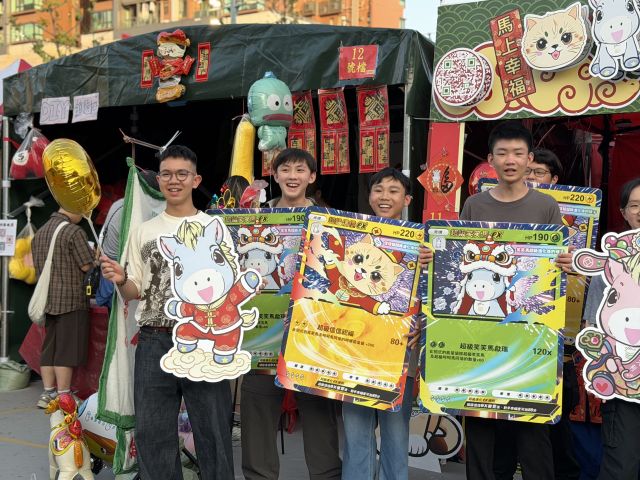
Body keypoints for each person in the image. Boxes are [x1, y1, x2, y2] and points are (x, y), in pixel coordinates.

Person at [419, 121, 574, 479]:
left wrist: (565, 263)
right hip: (480, 338)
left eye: (518, 153)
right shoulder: (475, 205)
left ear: (529, 159)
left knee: (532, 433)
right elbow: (458, 259)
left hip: (527, 339)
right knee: (482, 430)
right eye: (502, 153)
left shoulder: (546, 206)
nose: (510, 160)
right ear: (491, 160)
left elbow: (554, 269)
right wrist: (433, 257)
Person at [100, 145, 234, 479]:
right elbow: (135, 290)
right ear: (158, 180)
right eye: (167, 174)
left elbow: (228, 285)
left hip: (205, 339)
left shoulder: (213, 228)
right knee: (152, 433)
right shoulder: (143, 231)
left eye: (182, 174)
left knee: (214, 431)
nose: (174, 181)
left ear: (195, 180)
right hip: (154, 340)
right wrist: (120, 279)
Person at [241, 148, 342, 480]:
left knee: (319, 416)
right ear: (275, 175)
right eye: (285, 169)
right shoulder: (255, 216)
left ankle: (326, 477)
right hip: (263, 335)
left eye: (300, 170)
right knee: (258, 411)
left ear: (312, 177)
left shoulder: (329, 219)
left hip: (313, 336)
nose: (293, 176)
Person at [494, 146, 581, 480]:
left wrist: (569, 263)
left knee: (543, 427)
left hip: (546, 334)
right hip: (500, 334)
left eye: (538, 172)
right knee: (501, 423)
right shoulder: (489, 207)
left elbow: (576, 278)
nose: (530, 177)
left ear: (554, 179)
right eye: (529, 171)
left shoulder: (557, 212)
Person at [341, 167, 421, 480]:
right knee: (355, 433)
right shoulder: (350, 236)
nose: (384, 197)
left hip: (399, 356)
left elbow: (432, 295)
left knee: (396, 434)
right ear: (370, 196)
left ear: (407, 199)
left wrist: (422, 323)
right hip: (354, 353)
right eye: (378, 190)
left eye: (393, 190)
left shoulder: (421, 244)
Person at [583, 178, 640, 480]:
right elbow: (592, 326)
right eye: (635, 205)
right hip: (624, 389)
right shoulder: (607, 268)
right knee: (621, 467)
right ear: (623, 212)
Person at [32, 207, 95, 408]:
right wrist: (94, 255)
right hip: (71, 299)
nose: (83, 216)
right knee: (66, 349)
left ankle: (48, 393)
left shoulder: (41, 232)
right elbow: (86, 265)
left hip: (47, 299)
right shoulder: (73, 231)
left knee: (49, 347)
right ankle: (64, 395)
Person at [96, 169, 159, 310]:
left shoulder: (119, 203)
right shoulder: (132, 212)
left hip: (111, 267)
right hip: (117, 270)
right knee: (121, 317)